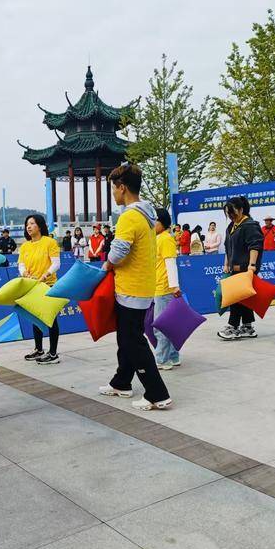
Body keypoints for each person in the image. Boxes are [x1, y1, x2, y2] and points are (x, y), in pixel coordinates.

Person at [98, 164, 171, 411]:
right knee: (126, 337)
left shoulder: (129, 216)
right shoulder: (147, 215)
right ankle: (121, 382)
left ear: (122, 188)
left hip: (131, 288)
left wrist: (107, 264)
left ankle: (157, 393)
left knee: (133, 341)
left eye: (113, 188)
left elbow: (119, 250)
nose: (113, 193)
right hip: (142, 286)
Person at [217, 196, 264, 340]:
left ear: (241, 210)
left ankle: (233, 327)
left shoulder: (250, 225)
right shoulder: (231, 226)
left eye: (232, 212)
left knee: (236, 297)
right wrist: (226, 264)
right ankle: (248, 327)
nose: (230, 215)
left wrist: (252, 266)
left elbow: (255, 246)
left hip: (245, 268)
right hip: (233, 267)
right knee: (243, 297)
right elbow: (227, 247)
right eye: (228, 213)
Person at [19, 214, 61, 365]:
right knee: (35, 318)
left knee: (51, 319)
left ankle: (53, 353)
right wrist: (24, 273)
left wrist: (45, 275)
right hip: (32, 286)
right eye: (27, 224)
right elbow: (21, 265)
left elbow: (56, 263)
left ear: (40, 225)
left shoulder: (50, 242)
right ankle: (39, 349)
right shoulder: (25, 246)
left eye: (32, 223)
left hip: (48, 285)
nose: (28, 227)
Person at [153, 208, 181, 370]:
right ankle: (172, 356)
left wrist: (174, 286)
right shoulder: (159, 238)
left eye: (154, 220)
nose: (152, 224)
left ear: (162, 222)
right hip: (160, 287)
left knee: (162, 325)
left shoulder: (165, 239)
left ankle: (162, 359)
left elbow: (171, 263)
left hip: (163, 288)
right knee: (169, 324)